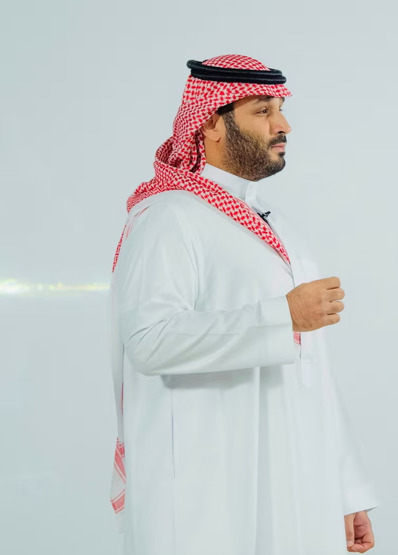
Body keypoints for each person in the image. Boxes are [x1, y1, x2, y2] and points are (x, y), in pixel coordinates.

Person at [106, 54, 378, 555]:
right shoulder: (168, 218)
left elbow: (313, 373)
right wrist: (283, 317)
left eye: (280, 109)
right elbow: (147, 341)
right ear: (210, 122)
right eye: (263, 111)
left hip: (294, 493)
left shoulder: (278, 230)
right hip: (205, 498)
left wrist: (344, 489)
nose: (283, 125)